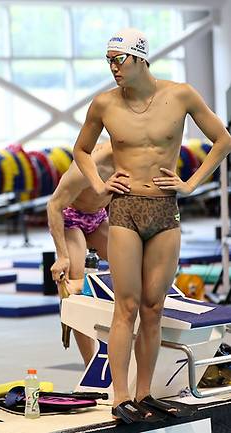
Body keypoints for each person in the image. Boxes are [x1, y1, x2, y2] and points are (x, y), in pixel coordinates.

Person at [73, 28, 231, 423]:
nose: (112, 68)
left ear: (140, 59)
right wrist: (98, 184)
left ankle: (145, 393)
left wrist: (192, 184)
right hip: (125, 211)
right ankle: (121, 396)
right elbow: (81, 149)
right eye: (108, 60)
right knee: (125, 307)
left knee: (154, 307)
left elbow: (222, 139)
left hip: (165, 211)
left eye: (118, 59)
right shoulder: (104, 104)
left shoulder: (180, 95)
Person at [47, 140, 114, 365]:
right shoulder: (94, 162)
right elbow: (53, 205)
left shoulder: (136, 159)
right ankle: (90, 364)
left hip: (99, 217)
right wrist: (62, 256)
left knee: (130, 267)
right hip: (71, 218)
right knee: (75, 288)